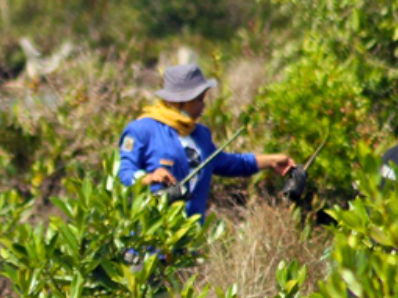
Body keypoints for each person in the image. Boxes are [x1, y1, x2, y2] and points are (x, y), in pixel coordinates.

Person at [117, 64, 294, 218]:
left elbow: (230, 163)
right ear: (178, 101)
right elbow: (124, 174)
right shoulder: (142, 130)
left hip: (189, 239)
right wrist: (149, 178)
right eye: (199, 100)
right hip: (151, 241)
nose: (204, 106)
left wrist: (271, 161)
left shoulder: (200, 134)